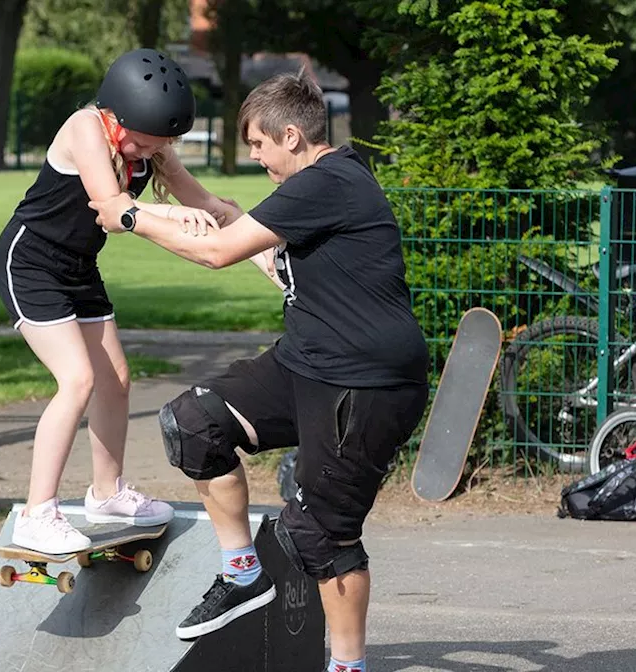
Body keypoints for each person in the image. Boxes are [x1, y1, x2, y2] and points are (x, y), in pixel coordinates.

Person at [90, 71, 429, 672]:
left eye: (258, 145)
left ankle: (348, 667)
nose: (254, 157)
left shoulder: (328, 182)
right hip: (305, 364)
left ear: (292, 136)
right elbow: (228, 219)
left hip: (365, 383)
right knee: (193, 424)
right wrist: (171, 174)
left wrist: (128, 216)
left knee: (322, 534)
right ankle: (243, 574)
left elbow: (218, 251)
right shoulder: (323, 181)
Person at [0, 48, 275, 555]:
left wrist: (271, 267)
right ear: (119, 117)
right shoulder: (85, 128)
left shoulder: (152, 149)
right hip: (29, 262)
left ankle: (107, 493)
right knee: (77, 380)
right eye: (146, 142)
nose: (151, 153)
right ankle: (38, 513)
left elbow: (211, 206)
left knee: (116, 381)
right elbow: (110, 206)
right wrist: (170, 219)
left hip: (78, 267)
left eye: (161, 145)